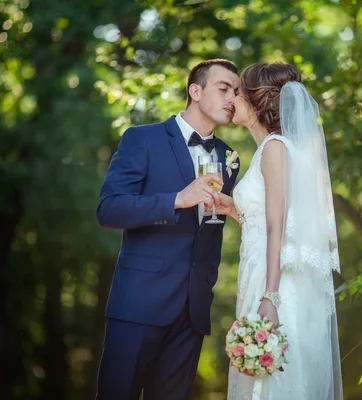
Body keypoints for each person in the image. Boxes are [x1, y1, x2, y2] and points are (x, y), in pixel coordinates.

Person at [95, 59, 241, 400]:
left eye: (236, 92)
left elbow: (211, 228)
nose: (231, 98)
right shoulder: (142, 139)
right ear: (195, 90)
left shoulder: (229, 157)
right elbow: (109, 209)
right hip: (138, 304)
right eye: (223, 89)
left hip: (192, 312)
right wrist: (177, 199)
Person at [216, 63, 344, 399]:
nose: (231, 99)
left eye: (238, 92)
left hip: (274, 283)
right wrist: (232, 208)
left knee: (274, 384)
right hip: (264, 272)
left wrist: (270, 297)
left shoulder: (275, 148)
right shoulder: (274, 149)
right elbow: (274, 224)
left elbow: (277, 227)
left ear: (257, 101)